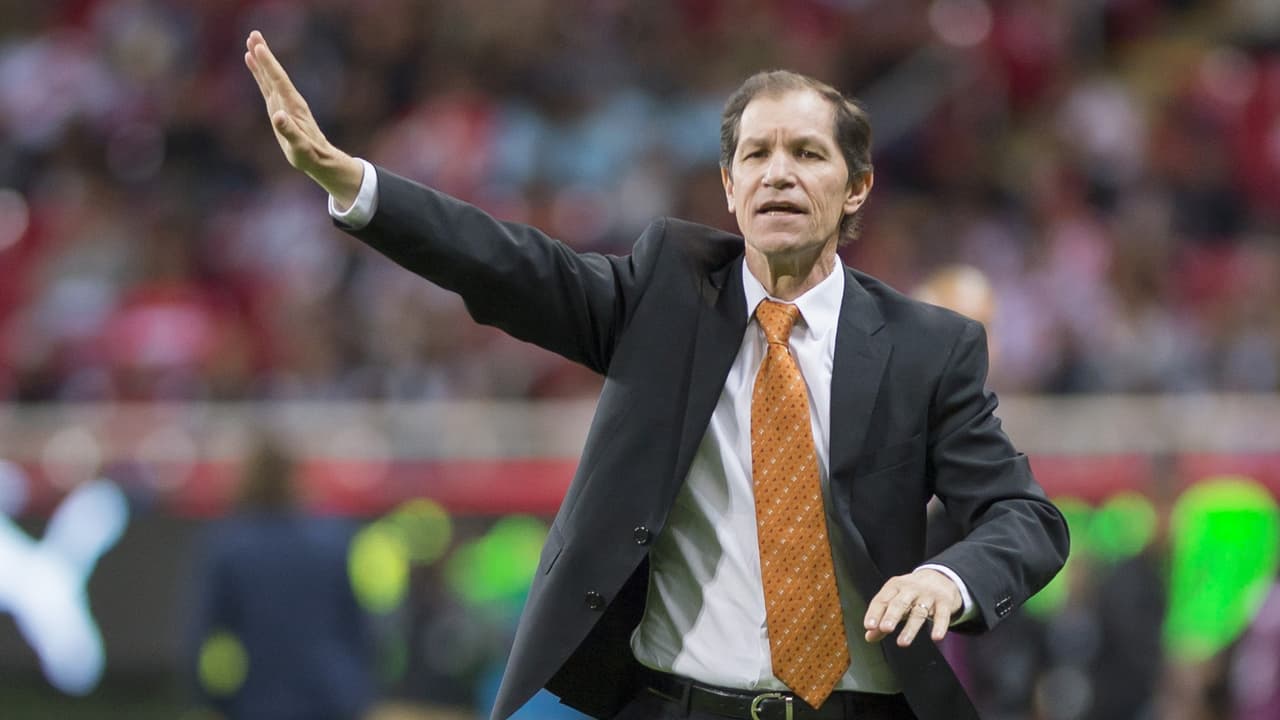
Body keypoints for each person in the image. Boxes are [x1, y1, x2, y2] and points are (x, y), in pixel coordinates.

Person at [244, 30, 1068, 720]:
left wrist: (947, 578)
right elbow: (509, 264)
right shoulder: (666, 298)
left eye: (807, 153)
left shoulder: (927, 348)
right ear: (730, 186)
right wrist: (354, 184)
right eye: (757, 154)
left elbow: (1024, 517)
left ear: (857, 188)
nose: (778, 172)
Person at [188, 435, 374, 719]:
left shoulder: (229, 546)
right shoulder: (333, 540)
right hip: (332, 697)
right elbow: (359, 629)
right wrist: (359, 693)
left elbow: (209, 636)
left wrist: (214, 700)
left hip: (258, 699)